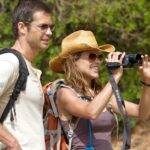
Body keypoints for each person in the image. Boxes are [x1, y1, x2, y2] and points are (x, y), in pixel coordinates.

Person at [49, 30, 150, 150]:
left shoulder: (100, 94)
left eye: (99, 56)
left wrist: (147, 82)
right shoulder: (64, 93)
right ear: (73, 61)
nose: (97, 61)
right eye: (92, 56)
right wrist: (114, 77)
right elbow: (91, 112)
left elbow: (142, 113)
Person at [0, 0, 53, 149]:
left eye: (51, 27)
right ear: (22, 27)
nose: (49, 32)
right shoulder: (9, 62)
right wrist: (12, 143)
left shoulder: (28, 68)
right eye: (43, 26)